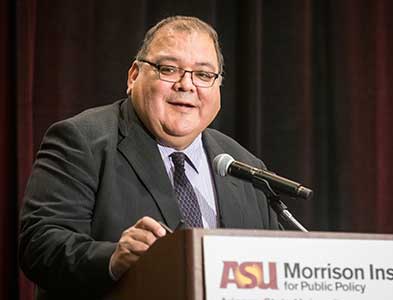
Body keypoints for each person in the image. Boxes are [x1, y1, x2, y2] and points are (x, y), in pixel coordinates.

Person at [19, 16, 278, 299]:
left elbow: (275, 265)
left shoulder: (246, 167)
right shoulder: (82, 141)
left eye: (203, 75)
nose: (186, 85)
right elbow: (39, 244)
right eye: (168, 69)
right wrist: (112, 259)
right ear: (133, 76)